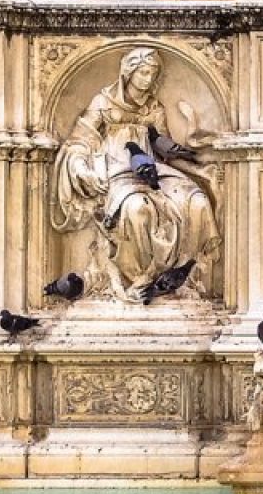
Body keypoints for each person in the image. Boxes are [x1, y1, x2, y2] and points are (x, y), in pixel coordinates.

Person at [51, 47, 219, 303]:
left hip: (154, 170)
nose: (148, 79)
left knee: (197, 201)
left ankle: (185, 274)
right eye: (143, 72)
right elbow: (78, 141)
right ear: (128, 73)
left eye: (152, 73)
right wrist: (82, 168)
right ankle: (140, 279)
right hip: (116, 174)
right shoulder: (103, 103)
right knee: (137, 208)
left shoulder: (154, 108)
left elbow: (164, 150)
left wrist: (200, 171)